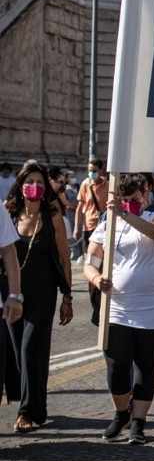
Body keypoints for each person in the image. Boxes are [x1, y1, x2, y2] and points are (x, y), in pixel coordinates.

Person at [83, 175, 154, 445]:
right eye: (124, 199)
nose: (129, 203)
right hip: (117, 306)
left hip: (153, 306)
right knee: (116, 364)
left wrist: (124, 214)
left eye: (134, 198)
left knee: (146, 365)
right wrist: (95, 278)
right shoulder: (107, 221)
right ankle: (121, 412)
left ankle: (139, 422)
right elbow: (91, 260)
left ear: (145, 192)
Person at [2, 162, 72, 433]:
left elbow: (64, 257)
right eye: (31, 181)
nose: (36, 187)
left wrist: (67, 296)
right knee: (19, 353)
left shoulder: (53, 215)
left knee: (31, 349)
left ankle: (26, 412)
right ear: (21, 185)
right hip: (11, 292)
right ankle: (37, 406)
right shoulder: (9, 214)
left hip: (43, 293)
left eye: (41, 183)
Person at [75, 158, 108, 253]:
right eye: (89, 171)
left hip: (103, 226)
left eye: (94, 171)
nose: (91, 173)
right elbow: (79, 207)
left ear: (101, 170)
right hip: (89, 225)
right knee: (89, 255)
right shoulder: (85, 184)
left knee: (100, 255)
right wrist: (77, 228)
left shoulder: (108, 185)